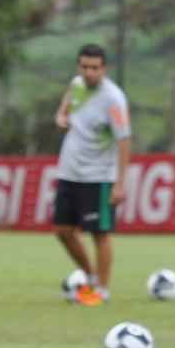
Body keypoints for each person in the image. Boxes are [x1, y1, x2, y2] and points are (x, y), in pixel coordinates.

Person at [53, 43, 131, 306]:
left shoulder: (113, 99)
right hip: (69, 170)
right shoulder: (75, 85)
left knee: (99, 233)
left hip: (98, 176)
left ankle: (103, 289)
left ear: (104, 69)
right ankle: (90, 277)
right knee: (63, 230)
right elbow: (64, 110)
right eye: (85, 67)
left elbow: (124, 140)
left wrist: (120, 184)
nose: (89, 72)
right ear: (79, 67)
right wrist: (61, 117)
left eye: (95, 68)